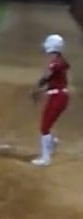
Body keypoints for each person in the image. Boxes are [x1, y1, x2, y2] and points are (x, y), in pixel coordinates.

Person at [33, 33, 69, 167]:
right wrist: (41, 90)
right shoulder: (59, 61)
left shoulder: (55, 63)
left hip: (58, 97)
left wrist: (38, 87)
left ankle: (45, 158)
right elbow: (53, 82)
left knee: (44, 127)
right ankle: (53, 143)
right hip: (59, 96)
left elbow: (47, 77)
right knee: (46, 125)